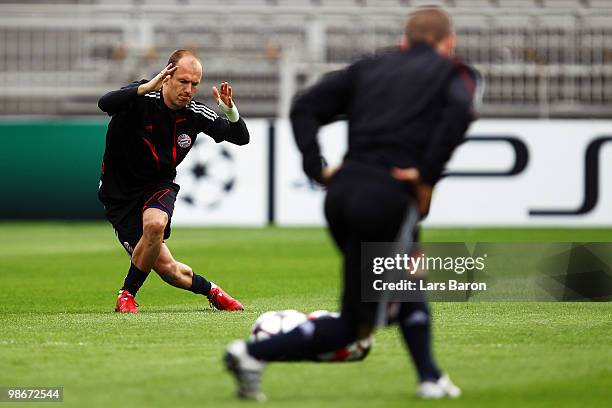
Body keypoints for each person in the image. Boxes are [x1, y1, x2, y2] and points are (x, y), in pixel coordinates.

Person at [224, 6, 480, 400]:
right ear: (449, 43)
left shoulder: (368, 69)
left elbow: (304, 106)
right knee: (357, 325)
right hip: (388, 196)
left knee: (408, 275)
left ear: (403, 41)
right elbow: (461, 112)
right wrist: (426, 175)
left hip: (342, 194)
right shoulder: (455, 72)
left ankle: (431, 377)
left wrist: (317, 168)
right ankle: (251, 353)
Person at [98, 49, 249, 313]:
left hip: (158, 184)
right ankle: (212, 290)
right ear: (167, 75)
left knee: (155, 224)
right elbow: (105, 103)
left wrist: (230, 110)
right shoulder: (142, 96)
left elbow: (241, 137)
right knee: (169, 270)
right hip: (119, 192)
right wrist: (145, 87)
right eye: (183, 81)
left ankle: (126, 295)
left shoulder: (194, 113)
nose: (188, 89)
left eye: (194, 84)